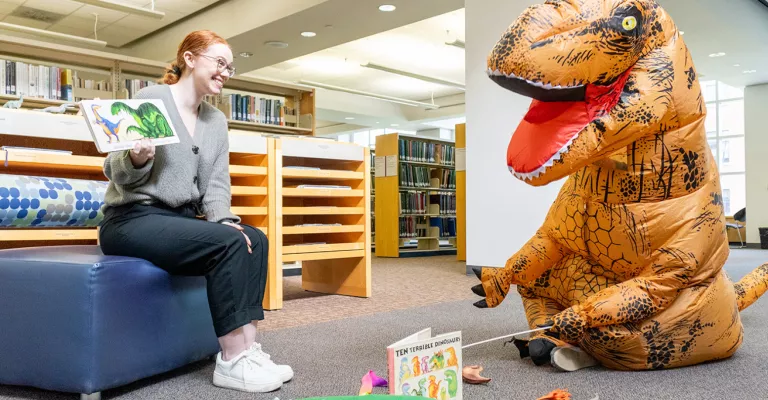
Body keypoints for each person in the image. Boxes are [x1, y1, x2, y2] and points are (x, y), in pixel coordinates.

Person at [98, 30, 292, 393]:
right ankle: (232, 361)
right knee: (229, 244)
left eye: (230, 68)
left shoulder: (215, 121)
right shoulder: (152, 99)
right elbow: (115, 170)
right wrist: (137, 159)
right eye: (219, 63)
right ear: (189, 59)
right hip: (130, 219)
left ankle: (249, 349)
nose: (226, 72)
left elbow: (217, 186)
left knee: (254, 239)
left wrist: (227, 222)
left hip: (178, 221)